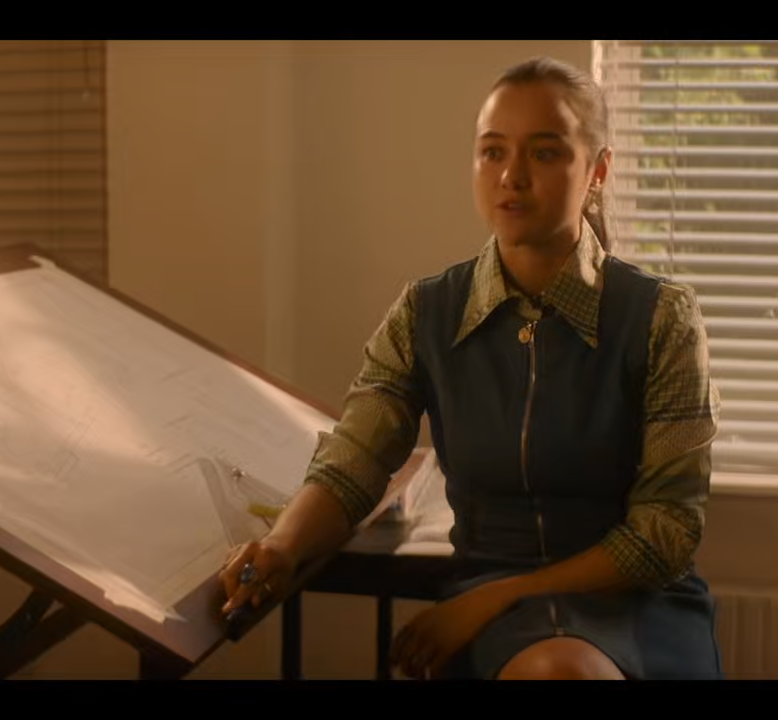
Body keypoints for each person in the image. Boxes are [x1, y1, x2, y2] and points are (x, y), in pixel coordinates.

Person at [219, 55, 722, 681]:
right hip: (492, 608)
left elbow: (666, 531)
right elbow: (354, 461)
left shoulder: (662, 318)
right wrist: (280, 547)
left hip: (633, 606)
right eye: (492, 152)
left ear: (598, 170)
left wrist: (496, 599)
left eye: (544, 153)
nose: (512, 175)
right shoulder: (425, 312)